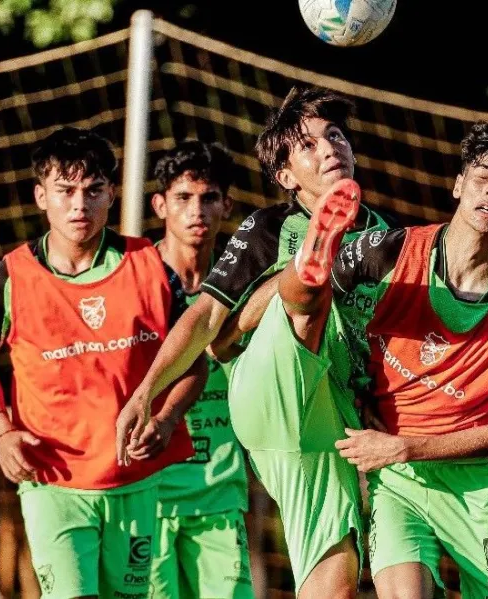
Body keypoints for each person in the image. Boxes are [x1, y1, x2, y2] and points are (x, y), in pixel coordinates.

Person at [119, 86, 390, 598]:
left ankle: (311, 272)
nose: (329, 148)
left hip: (332, 412)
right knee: (302, 303)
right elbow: (206, 318)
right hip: (270, 387)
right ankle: (309, 266)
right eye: (308, 145)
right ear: (286, 177)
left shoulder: (386, 235)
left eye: (335, 136)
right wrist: (146, 392)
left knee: (337, 572)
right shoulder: (268, 226)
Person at [0, 126, 205, 599]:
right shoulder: (5, 279)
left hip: (133, 481)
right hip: (51, 481)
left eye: (93, 191)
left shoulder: (152, 267)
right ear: (40, 196)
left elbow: (193, 364)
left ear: (112, 194)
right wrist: (1, 429)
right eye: (65, 191)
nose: (79, 205)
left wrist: (169, 417)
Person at [331, 117, 488, 599]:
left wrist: (403, 446)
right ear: (458, 185)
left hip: (482, 490)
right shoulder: (390, 251)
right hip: (401, 483)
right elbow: (309, 295)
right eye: (481, 177)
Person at [147, 140, 254, 599]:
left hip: (219, 489)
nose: (198, 211)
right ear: (159, 205)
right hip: (145, 491)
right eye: (183, 198)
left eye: (209, 198)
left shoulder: (250, 285)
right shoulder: (133, 282)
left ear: (227, 205)